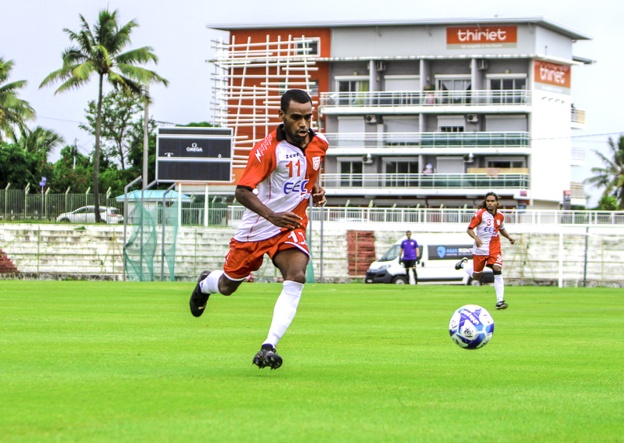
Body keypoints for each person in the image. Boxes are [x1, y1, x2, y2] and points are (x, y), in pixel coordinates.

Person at [189, 89, 328, 370]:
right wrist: (272, 216)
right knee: (228, 286)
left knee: (296, 275)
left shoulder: (320, 143)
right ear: (282, 117)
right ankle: (206, 283)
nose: (303, 124)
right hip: (258, 228)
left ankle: (269, 345)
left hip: (290, 225)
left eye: (308, 117)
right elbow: (242, 191)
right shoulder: (267, 150)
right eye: (296, 118)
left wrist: (314, 188)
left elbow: (311, 168)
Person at [455, 192, 515, 310]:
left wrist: (509, 237)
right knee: (476, 276)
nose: (490, 203)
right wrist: (476, 238)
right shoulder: (480, 214)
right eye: (488, 201)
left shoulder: (500, 216)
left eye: (492, 201)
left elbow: (501, 229)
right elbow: (469, 229)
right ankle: (464, 264)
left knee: (497, 268)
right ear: (485, 202)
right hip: (480, 248)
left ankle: (500, 301)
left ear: (497, 202)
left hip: (494, 247)